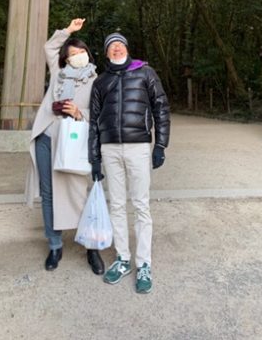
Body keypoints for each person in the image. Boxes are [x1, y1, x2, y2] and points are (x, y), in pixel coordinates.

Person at [89, 32, 170, 294]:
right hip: (110, 147)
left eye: (120, 44)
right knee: (117, 205)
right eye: (111, 46)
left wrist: (160, 145)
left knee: (141, 205)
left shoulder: (146, 73)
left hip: (138, 146)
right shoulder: (101, 82)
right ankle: (122, 258)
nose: (116, 48)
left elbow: (161, 108)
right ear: (106, 53)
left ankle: (143, 263)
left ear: (127, 48)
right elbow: (93, 121)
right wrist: (94, 157)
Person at [26, 18, 104, 275]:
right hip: (47, 136)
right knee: (49, 194)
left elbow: (100, 115)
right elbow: (49, 48)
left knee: (79, 192)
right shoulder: (58, 74)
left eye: (81, 52)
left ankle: (92, 247)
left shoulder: (96, 82)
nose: (78, 56)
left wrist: (79, 112)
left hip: (74, 141)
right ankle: (55, 244)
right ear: (66, 60)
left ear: (88, 55)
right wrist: (68, 31)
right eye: (72, 54)